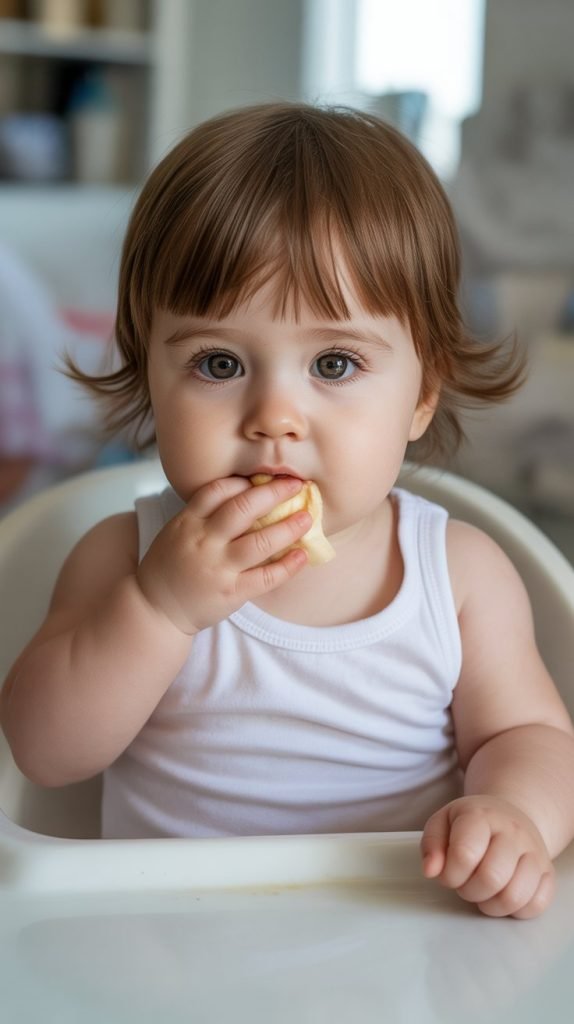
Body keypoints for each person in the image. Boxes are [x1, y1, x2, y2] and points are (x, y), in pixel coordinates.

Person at [2, 103, 574, 919]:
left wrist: (515, 815)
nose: (274, 415)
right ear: (148, 376)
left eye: (335, 362)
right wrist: (160, 609)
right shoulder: (122, 559)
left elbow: (532, 739)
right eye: (219, 362)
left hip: (398, 939)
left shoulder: (459, 578)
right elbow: (44, 753)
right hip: (164, 946)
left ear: (424, 392)